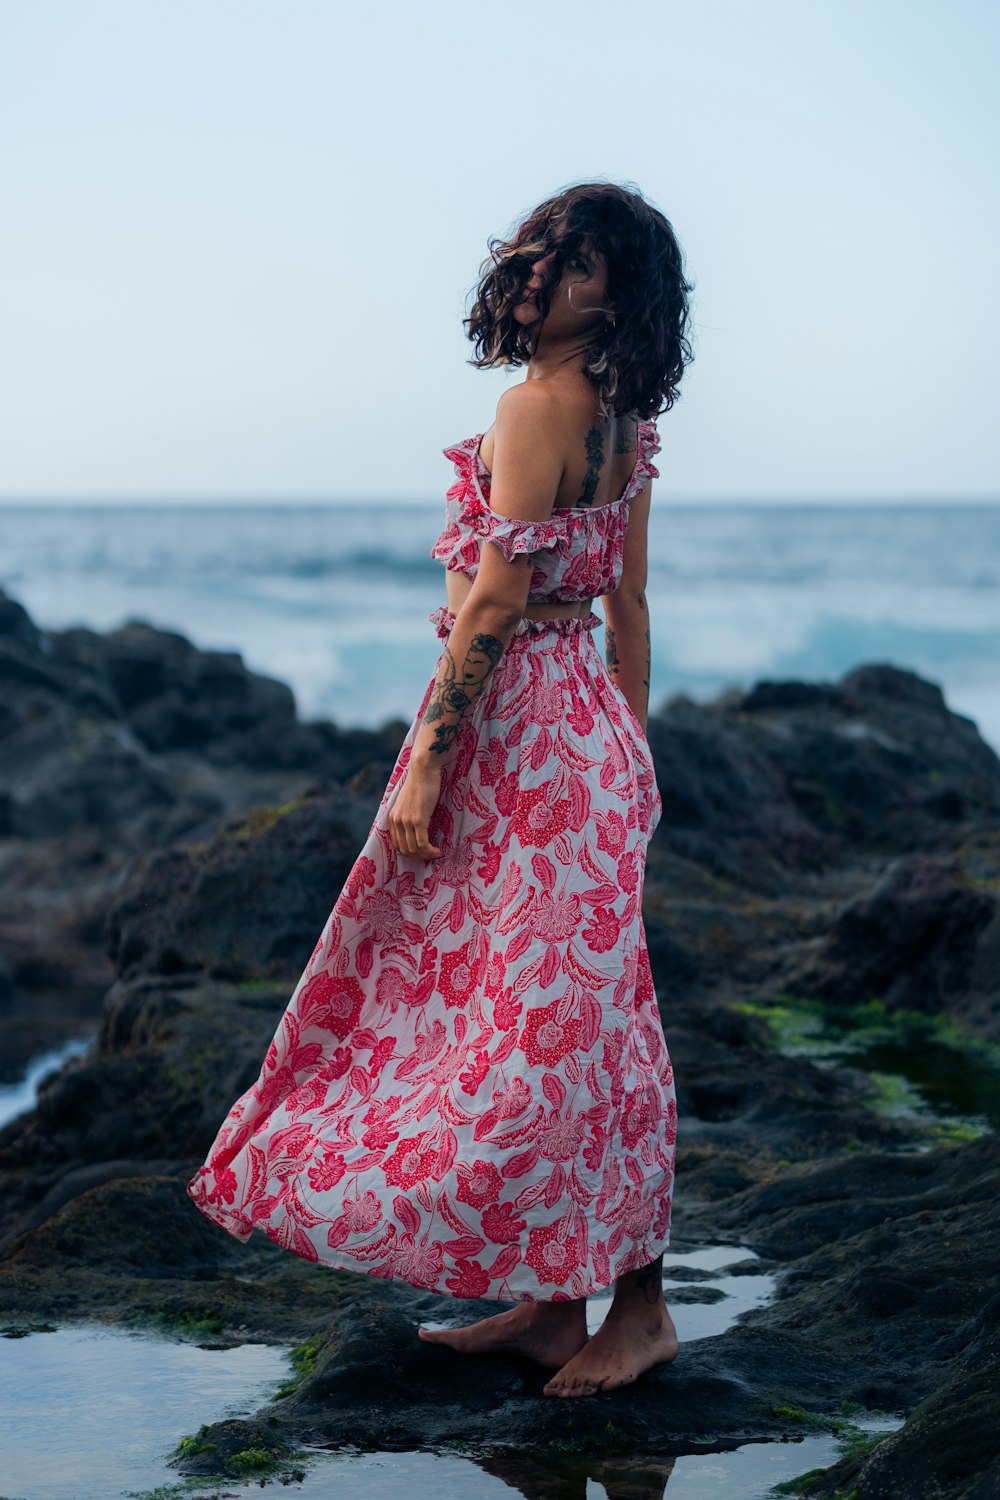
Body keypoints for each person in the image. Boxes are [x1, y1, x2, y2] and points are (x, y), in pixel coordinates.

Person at [187, 179, 695, 1399]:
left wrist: (424, 762)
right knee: (567, 1017)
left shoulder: (534, 410)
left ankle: (642, 1308)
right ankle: (558, 1297)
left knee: (566, 1024)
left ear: (614, 293)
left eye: (571, 266)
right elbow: (624, 604)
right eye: (537, 255)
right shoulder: (621, 418)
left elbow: (496, 600)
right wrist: (628, 755)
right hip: (585, 731)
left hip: (523, 732)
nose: (539, 276)